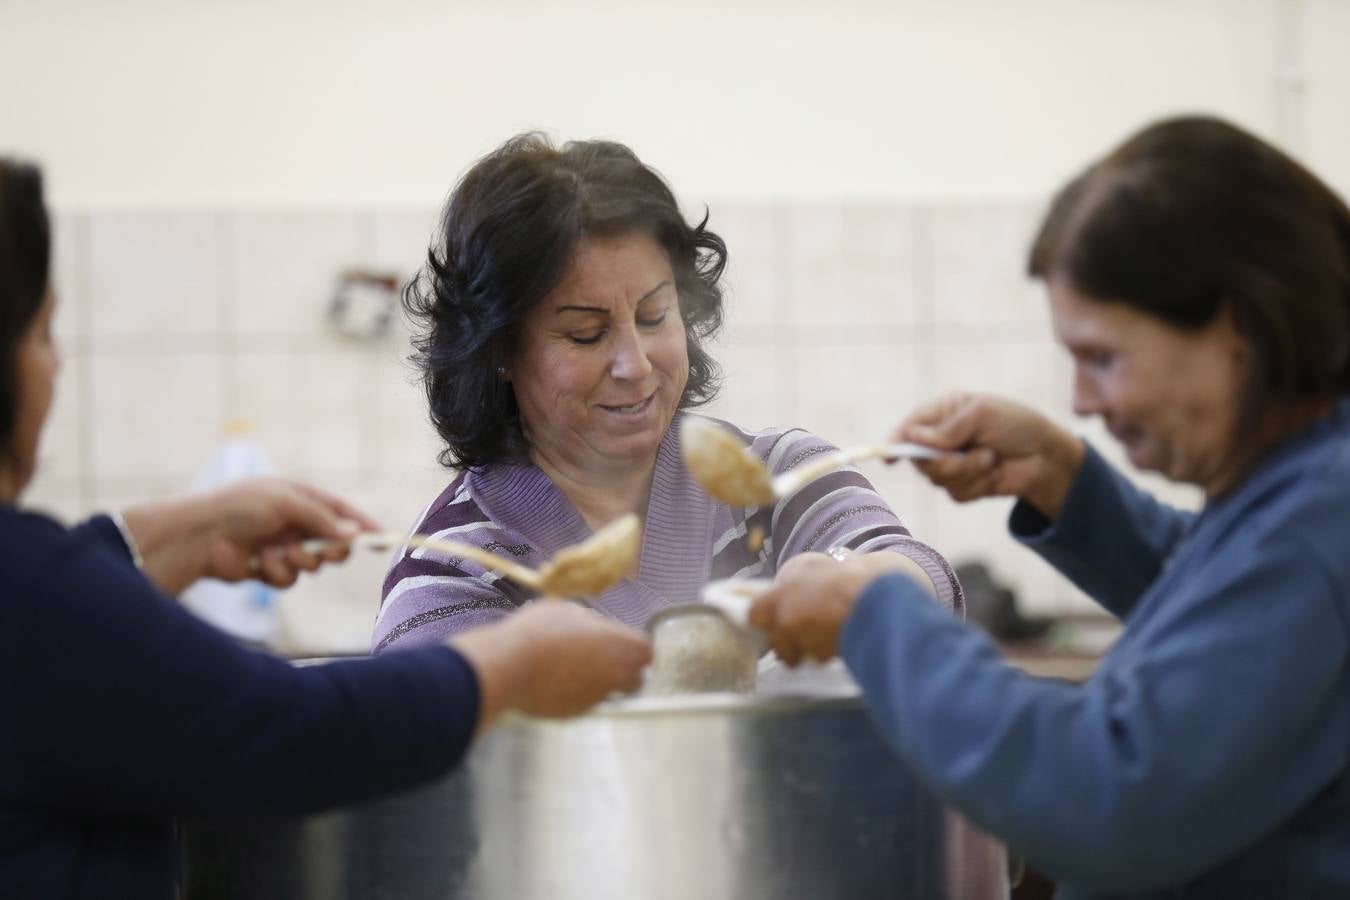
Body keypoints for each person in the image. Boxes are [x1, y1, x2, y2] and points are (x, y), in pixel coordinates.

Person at [0, 158, 652, 900]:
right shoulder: (29, 594)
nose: (54, 365)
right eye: (42, 333)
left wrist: (175, 533)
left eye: (655, 316)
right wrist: (508, 665)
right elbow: (286, 732)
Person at [750, 115, 1350, 898]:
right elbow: (1234, 609)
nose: (1082, 401)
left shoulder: (1318, 518)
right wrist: (1068, 483)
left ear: (1235, 323)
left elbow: (1108, 803)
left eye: (1103, 358)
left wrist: (878, 615)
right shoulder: (1302, 487)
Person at [374, 133, 961, 652]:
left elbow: (919, 580)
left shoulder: (778, 479)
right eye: (586, 334)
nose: (635, 364)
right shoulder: (455, 569)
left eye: (654, 316)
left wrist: (864, 583)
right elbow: (445, 739)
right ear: (501, 349)